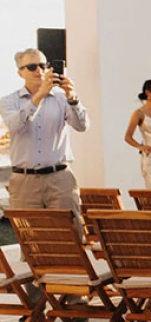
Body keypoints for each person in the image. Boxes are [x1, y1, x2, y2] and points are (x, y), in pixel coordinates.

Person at [0, 49, 89, 217]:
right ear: (20, 73)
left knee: (68, 235)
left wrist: (72, 97)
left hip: (59, 178)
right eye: (32, 67)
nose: (39, 71)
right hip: (24, 181)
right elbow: (15, 125)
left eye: (43, 65)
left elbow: (82, 126)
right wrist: (40, 95)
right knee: (30, 235)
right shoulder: (8, 101)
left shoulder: (62, 98)